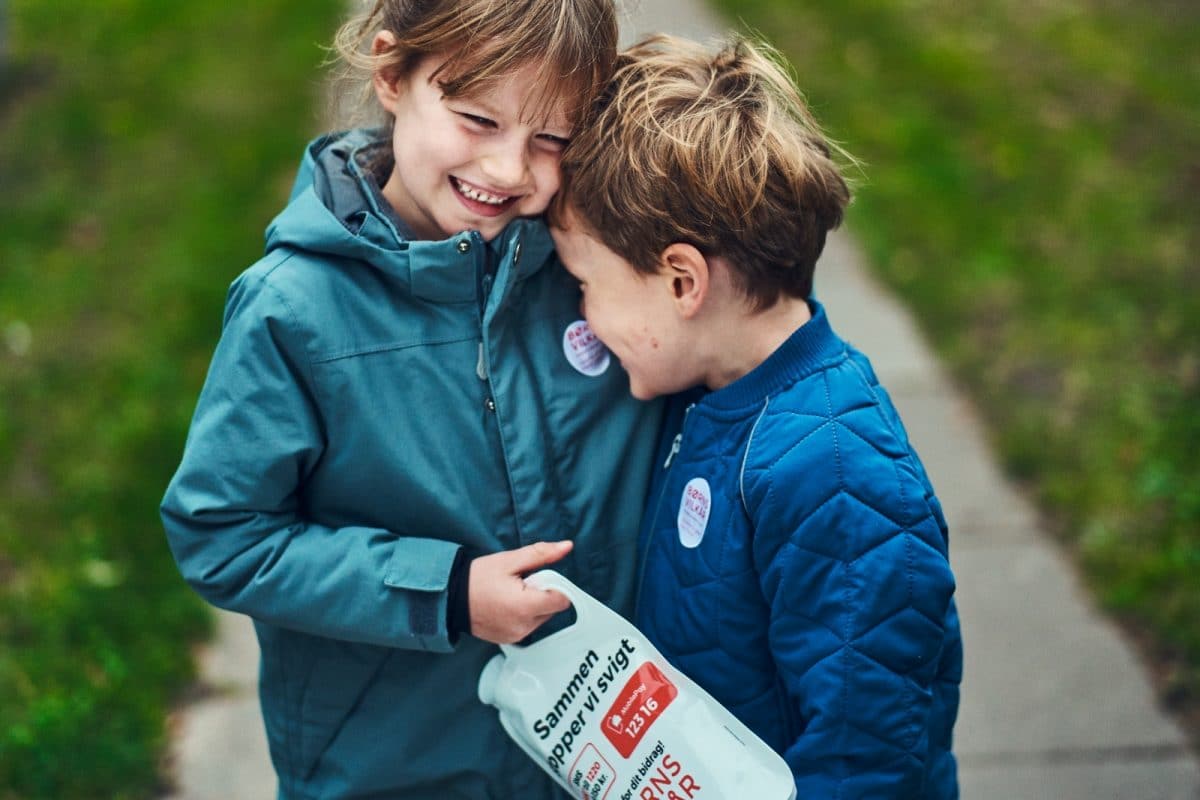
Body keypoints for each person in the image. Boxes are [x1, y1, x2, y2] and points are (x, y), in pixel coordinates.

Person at [160, 2, 662, 798]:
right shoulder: (294, 311)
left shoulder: (589, 271)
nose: (507, 169)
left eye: (551, 139)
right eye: (477, 119)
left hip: (604, 758)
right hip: (394, 767)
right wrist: (448, 593)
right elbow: (222, 534)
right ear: (393, 75)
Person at [548, 34, 962, 798]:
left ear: (681, 282)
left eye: (584, 282)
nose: (580, 314)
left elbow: (862, 758)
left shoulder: (836, 473)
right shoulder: (708, 389)